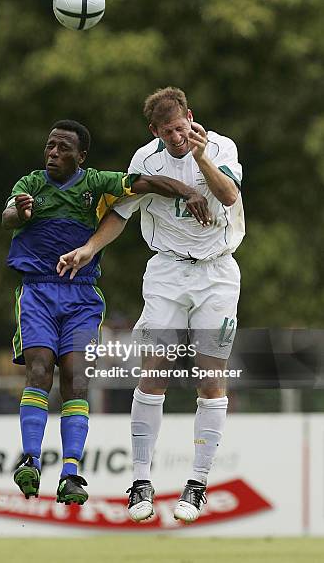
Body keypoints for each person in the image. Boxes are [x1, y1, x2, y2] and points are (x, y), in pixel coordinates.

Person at [57, 89, 244, 522]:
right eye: (168, 132)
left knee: (210, 378)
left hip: (217, 273)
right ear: (154, 132)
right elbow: (121, 213)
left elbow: (230, 196)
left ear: (190, 117)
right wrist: (88, 248)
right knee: (153, 372)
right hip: (166, 274)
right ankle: (141, 481)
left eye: (182, 127)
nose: (178, 137)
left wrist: (200, 160)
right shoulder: (145, 160)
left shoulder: (220, 147)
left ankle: (196, 484)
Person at [2, 117, 211, 505]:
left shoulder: (96, 183)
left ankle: (70, 472)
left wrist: (186, 190)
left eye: (63, 148)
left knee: (77, 379)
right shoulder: (30, 185)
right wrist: (22, 213)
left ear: (80, 156)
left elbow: (145, 184)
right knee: (39, 369)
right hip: (38, 293)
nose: (53, 153)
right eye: (50, 146)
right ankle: (29, 459)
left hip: (81, 297)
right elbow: (8, 217)